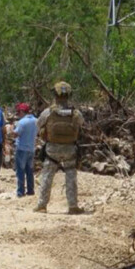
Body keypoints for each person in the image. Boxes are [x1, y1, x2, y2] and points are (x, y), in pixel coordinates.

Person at [34, 82, 85, 214]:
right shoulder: (76, 113)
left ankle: (42, 205)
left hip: (52, 149)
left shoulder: (48, 112)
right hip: (70, 149)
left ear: (55, 95)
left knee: (47, 176)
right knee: (71, 177)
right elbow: (82, 125)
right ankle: (73, 206)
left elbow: (38, 124)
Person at [12, 102, 38, 197]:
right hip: (31, 148)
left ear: (23, 111)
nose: (18, 114)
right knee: (29, 171)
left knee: (20, 171)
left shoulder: (22, 122)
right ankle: (30, 191)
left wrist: (11, 130)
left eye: (19, 111)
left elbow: (16, 134)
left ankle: (20, 192)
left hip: (21, 149)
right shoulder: (36, 121)